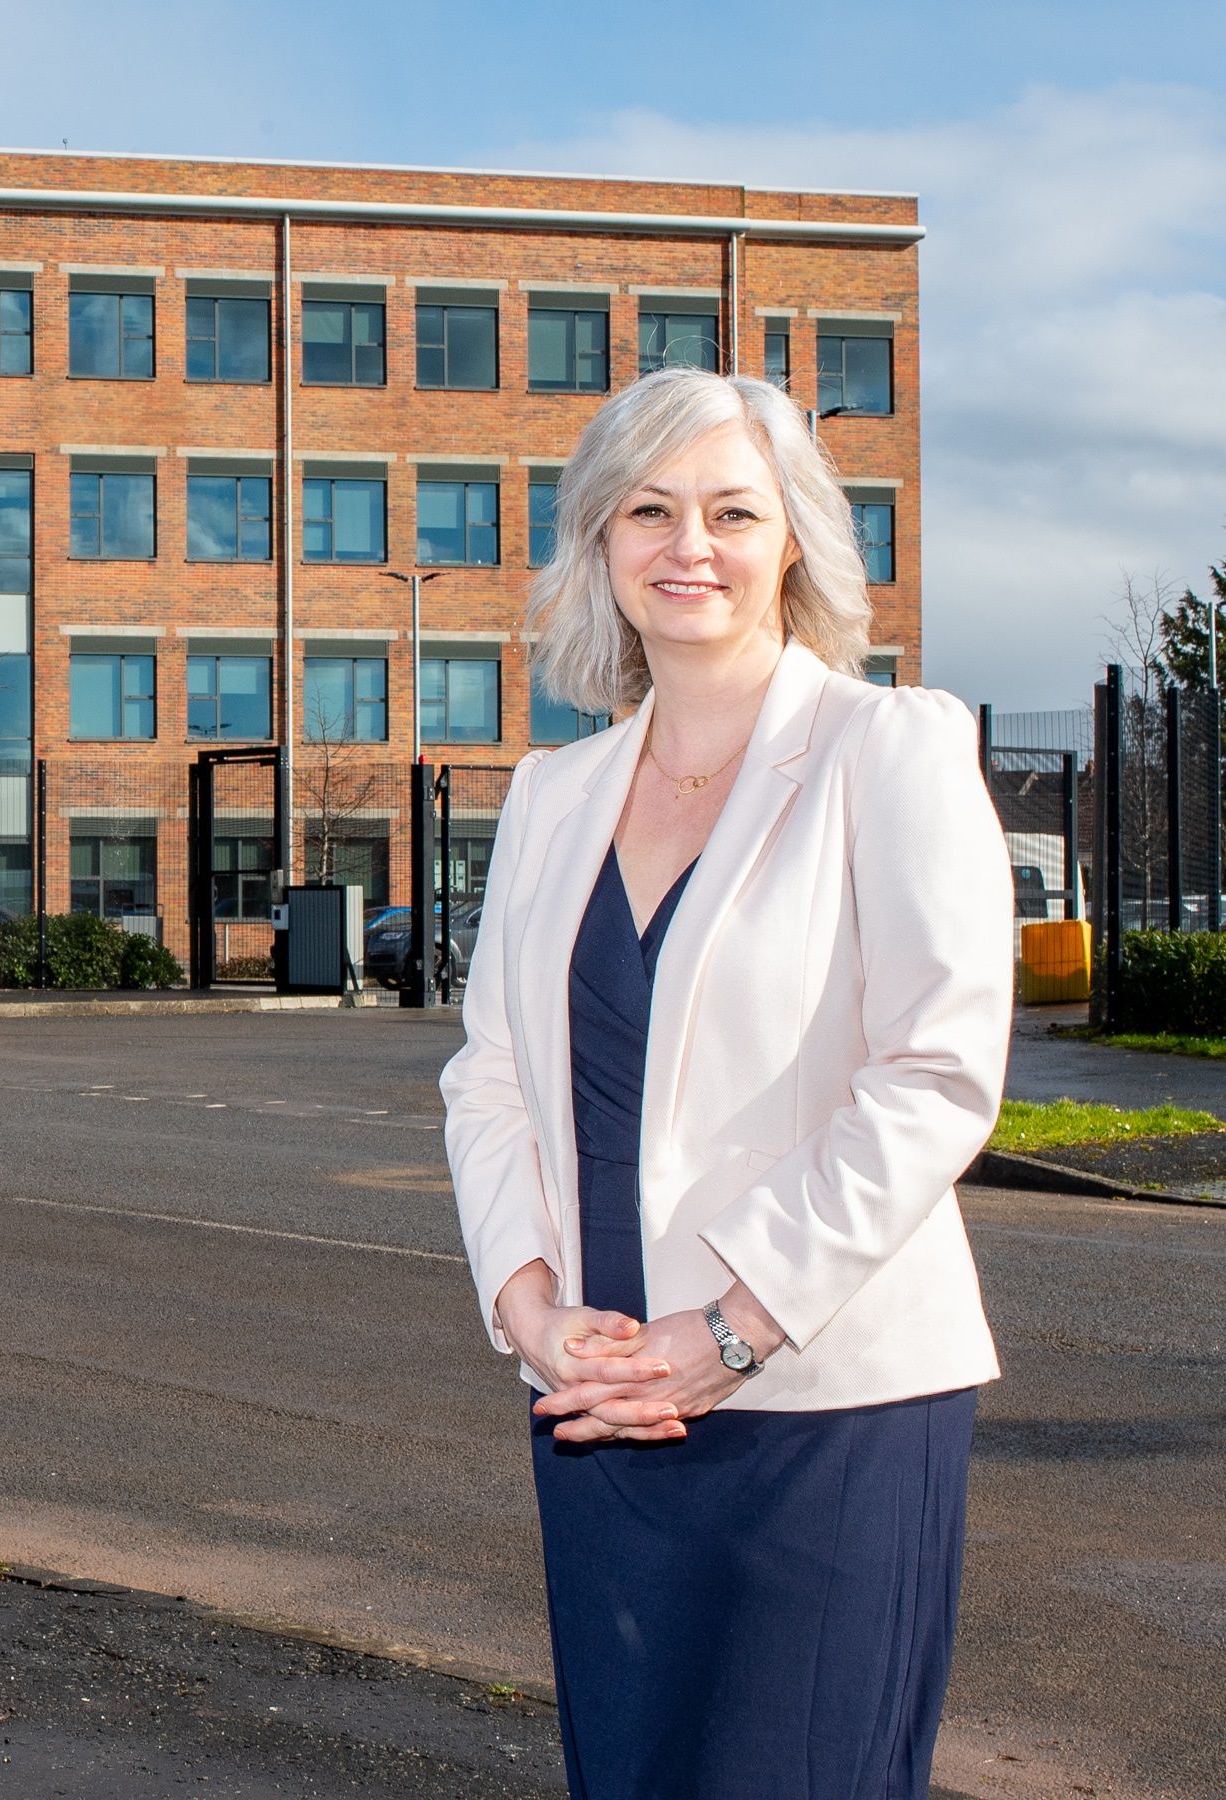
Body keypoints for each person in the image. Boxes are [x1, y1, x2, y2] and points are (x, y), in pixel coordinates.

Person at [439, 367, 1012, 1799]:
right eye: (649, 509)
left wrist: (736, 1330)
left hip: (823, 1402)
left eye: (731, 511)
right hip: (602, 1400)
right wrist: (529, 1314)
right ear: (600, 545)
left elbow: (936, 1075)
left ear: (797, 541)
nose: (688, 545)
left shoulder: (891, 751)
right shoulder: (552, 795)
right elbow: (490, 1074)